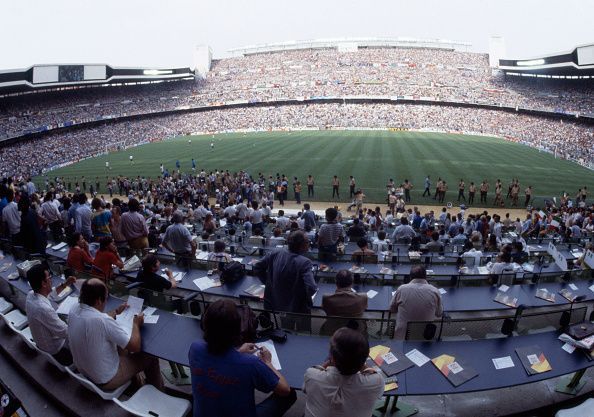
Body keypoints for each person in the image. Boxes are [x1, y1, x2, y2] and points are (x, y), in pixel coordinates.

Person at [188, 299, 296, 417]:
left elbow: (220, 362)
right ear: (236, 330)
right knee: (291, 394)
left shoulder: (195, 348)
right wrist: (268, 363)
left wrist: (238, 352)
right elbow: (285, 389)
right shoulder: (250, 364)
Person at [68, 278, 164, 390]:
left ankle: (136, 384)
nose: (106, 301)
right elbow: (135, 346)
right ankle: (158, 391)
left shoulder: (74, 309)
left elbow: (99, 320)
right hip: (105, 378)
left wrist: (117, 311)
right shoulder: (102, 321)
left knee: (121, 346)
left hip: (85, 370)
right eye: (106, 297)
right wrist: (136, 324)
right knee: (150, 357)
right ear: (99, 300)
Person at [303, 327, 384, 417]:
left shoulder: (311, 375)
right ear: (365, 359)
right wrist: (361, 362)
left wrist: (329, 361)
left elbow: (305, 390)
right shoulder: (376, 381)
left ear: (332, 358)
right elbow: (375, 385)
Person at [254, 230, 317, 324]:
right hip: (299, 307)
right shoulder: (305, 262)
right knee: (304, 332)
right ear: (301, 245)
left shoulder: (275, 252)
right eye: (307, 242)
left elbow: (257, 267)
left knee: (287, 330)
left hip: (279, 302)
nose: (309, 243)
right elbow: (312, 288)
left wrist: (269, 283)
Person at [25, 264, 76, 365]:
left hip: (44, 343)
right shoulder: (42, 309)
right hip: (57, 350)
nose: (51, 279)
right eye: (49, 277)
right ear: (43, 283)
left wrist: (65, 284)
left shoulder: (31, 294)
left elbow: (50, 295)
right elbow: (65, 332)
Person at [390, 266, 443, 339]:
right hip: (425, 337)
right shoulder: (435, 291)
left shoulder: (401, 289)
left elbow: (392, 310)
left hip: (402, 337)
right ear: (426, 276)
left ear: (410, 277)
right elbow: (439, 314)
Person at [321, 271, 368, 335]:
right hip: (356, 331)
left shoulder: (326, 298)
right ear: (352, 282)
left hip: (333, 331)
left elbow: (324, 308)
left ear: (336, 282)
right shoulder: (363, 297)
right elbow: (365, 308)